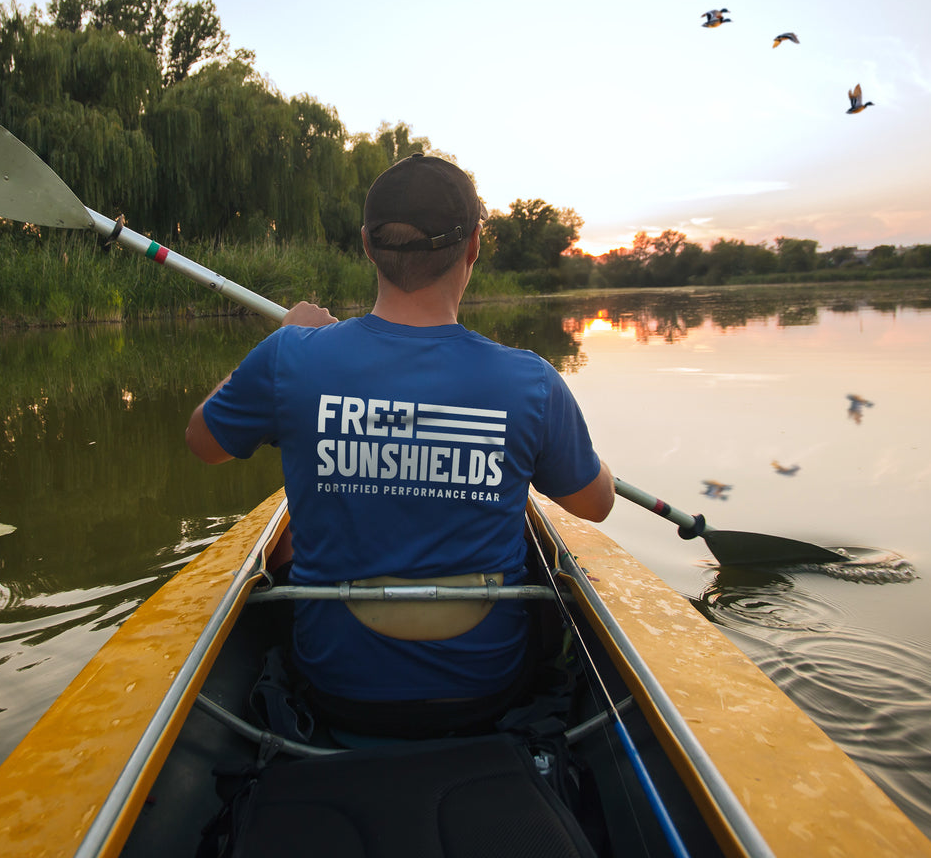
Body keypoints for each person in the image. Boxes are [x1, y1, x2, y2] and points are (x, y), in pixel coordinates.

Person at [186, 152, 613, 736]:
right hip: (488, 687)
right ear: (474, 247)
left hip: (335, 686)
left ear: (366, 244)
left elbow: (203, 441)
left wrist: (285, 338)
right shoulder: (533, 382)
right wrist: (566, 445)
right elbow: (596, 504)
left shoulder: (290, 358)